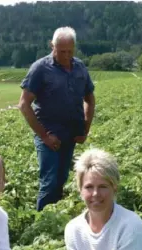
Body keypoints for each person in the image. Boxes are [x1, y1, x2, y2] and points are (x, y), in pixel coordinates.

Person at [19, 26, 96, 211]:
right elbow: (23, 104)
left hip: (70, 135)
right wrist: (44, 136)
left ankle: (57, 219)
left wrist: (85, 128)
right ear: (52, 45)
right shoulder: (40, 68)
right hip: (49, 135)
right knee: (49, 181)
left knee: (61, 179)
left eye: (70, 51)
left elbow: (90, 99)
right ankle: (42, 221)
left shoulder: (79, 67)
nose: (66, 55)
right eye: (61, 51)